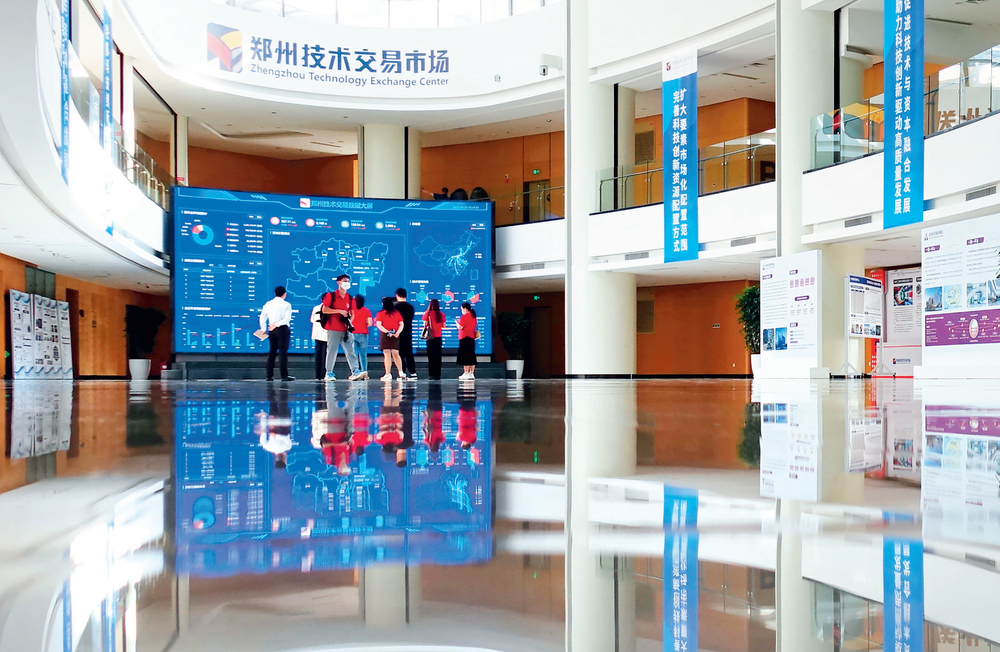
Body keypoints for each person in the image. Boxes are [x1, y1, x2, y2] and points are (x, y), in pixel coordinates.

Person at [321, 274, 363, 381]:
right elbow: (324, 309)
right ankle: (329, 373)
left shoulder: (350, 298)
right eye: (345, 281)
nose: (347, 283)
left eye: (348, 281)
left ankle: (355, 371)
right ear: (338, 282)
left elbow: (352, 313)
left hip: (346, 329)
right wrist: (338, 311)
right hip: (333, 327)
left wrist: (349, 322)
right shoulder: (331, 296)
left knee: (350, 351)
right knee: (332, 351)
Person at [260, 285, 294, 381]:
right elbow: (287, 319)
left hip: (271, 330)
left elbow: (262, 317)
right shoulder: (286, 304)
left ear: (275, 293)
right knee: (282, 352)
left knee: (272, 352)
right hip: (282, 329)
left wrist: (263, 328)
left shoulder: (268, 304)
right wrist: (277, 324)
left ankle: (269, 375)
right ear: (284, 294)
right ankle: (284, 375)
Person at [375, 297, 406, 381]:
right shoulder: (397, 313)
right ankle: (400, 372)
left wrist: (388, 332)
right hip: (395, 334)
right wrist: (397, 332)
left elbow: (379, 325)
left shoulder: (380, 313)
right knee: (395, 353)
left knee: (387, 354)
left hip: (386, 335)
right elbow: (401, 324)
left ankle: (388, 374)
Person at [394, 288, 417, 380]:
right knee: (409, 353)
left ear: (397, 295)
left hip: (397, 332)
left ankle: (402, 372)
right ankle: (413, 372)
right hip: (408, 331)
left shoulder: (394, 307)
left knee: (400, 353)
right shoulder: (410, 307)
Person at [422, 299, 447, 380]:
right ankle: (437, 374)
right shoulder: (441, 314)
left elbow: (425, 324)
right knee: (438, 356)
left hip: (430, 337)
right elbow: (443, 325)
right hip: (438, 337)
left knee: (431, 357)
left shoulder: (427, 314)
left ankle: (431, 374)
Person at [351, 295, 373, 380]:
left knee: (354, 354)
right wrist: (364, 324)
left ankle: (355, 373)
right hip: (363, 333)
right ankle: (365, 372)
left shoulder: (351, 310)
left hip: (353, 333)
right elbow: (370, 323)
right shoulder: (366, 310)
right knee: (363, 355)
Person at [455, 301, 478, 380]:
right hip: (471, 338)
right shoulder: (473, 316)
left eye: (462, 309)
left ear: (465, 309)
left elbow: (461, 327)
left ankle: (466, 373)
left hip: (464, 338)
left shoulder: (464, 316)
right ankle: (471, 373)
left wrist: (457, 323)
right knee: (471, 355)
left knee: (465, 356)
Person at [309, 298, 328, 380]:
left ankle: (318, 375)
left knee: (318, 355)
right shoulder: (329, 309)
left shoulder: (316, 308)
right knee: (325, 356)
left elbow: (312, 320)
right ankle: (323, 375)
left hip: (317, 334)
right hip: (326, 334)